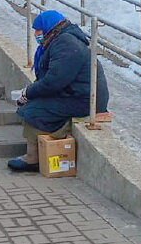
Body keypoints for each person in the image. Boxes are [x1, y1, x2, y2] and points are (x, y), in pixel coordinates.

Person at [8, 10, 110, 172]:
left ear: (48, 28)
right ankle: (38, 149)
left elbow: (54, 81)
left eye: (38, 30)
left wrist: (28, 93)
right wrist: (29, 93)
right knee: (32, 104)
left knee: (34, 111)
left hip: (83, 100)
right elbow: (49, 79)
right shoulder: (59, 40)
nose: (35, 34)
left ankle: (33, 158)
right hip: (74, 94)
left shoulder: (66, 44)